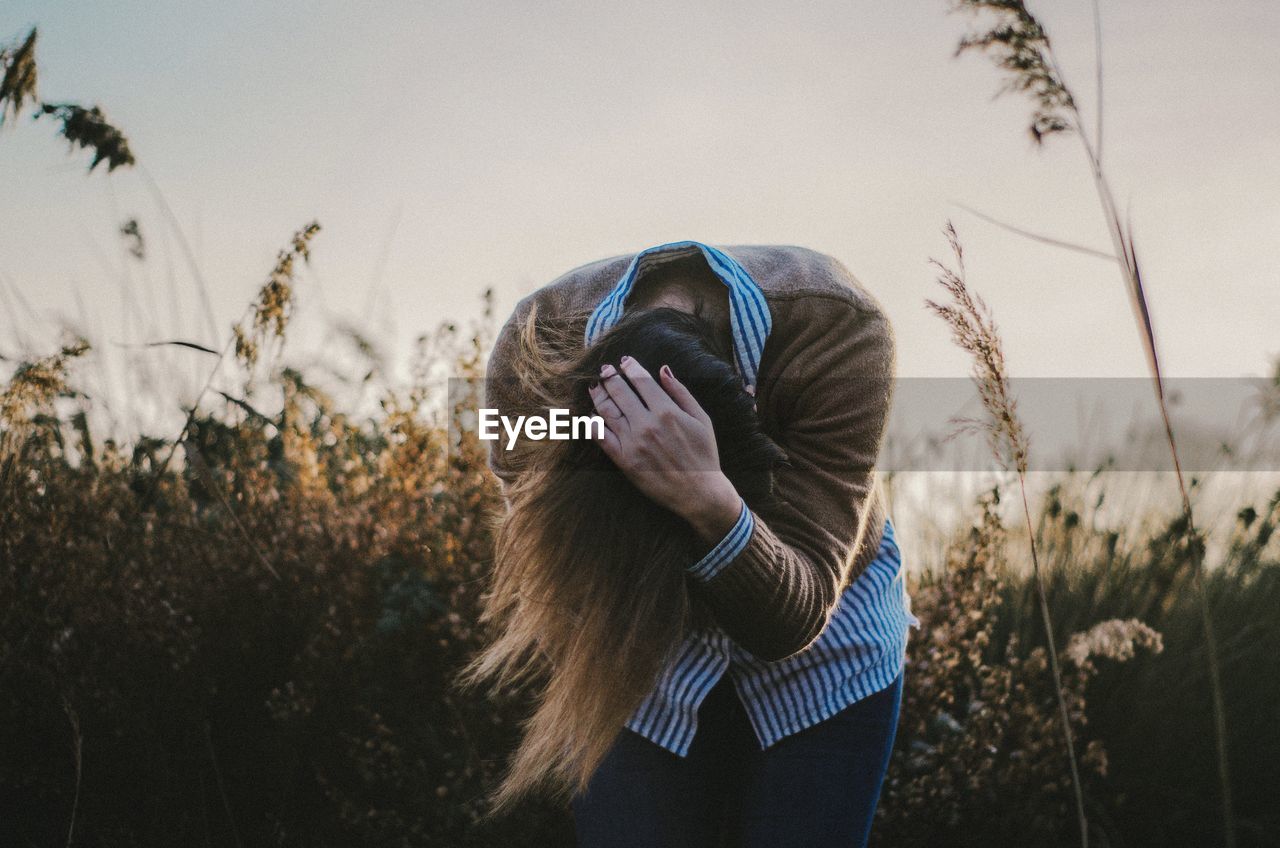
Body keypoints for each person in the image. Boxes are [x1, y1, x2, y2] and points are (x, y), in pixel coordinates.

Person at [474, 240, 920, 847]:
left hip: (827, 638)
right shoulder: (533, 356)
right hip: (633, 627)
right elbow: (554, 567)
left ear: (752, 401)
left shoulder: (841, 333)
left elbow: (796, 614)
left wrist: (708, 497)